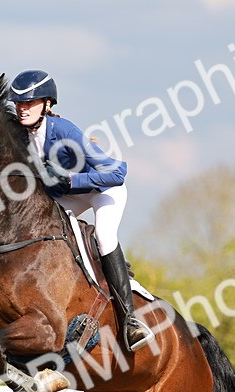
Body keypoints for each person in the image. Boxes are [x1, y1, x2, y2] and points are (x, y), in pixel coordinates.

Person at [11, 69, 153, 352]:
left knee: (104, 235)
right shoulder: (21, 135)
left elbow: (117, 172)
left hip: (102, 190)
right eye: (19, 103)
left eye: (29, 102)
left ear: (47, 104)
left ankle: (130, 320)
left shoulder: (64, 131)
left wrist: (72, 180)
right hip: (69, 196)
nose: (22, 108)